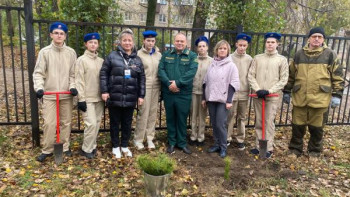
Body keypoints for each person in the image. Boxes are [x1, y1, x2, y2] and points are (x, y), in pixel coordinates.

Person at [283, 27, 344, 157]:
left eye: (320, 37)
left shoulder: (330, 54)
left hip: (320, 98)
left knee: (316, 128)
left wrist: (337, 95)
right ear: (309, 38)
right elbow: (292, 75)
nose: (317, 39)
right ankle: (295, 149)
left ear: (323, 39)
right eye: (314, 36)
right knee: (297, 126)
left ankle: (314, 151)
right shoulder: (299, 54)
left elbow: (338, 76)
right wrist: (287, 91)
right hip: (301, 97)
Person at [33, 22, 78, 162]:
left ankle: (64, 147)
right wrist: (39, 88)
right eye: (56, 33)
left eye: (62, 33)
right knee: (49, 123)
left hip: (66, 94)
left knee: (66, 122)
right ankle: (47, 149)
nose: (59, 35)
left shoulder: (71, 53)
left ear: (65, 36)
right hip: (50, 94)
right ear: (51, 35)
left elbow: (73, 74)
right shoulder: (45, 52)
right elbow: (38, 73)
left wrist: (72, 86)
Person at [100, 29, 145, 159]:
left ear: (133, 42)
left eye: (129, 40)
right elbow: (103, 74)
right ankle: (115, 146)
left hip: (130, 97)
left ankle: (124, 145)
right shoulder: (112, 56)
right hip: (115, 96)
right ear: (120, 42)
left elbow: (142, 78)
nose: (127, 43)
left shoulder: (137, 60)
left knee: (127, 122)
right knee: (114, 122)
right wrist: (104, 91)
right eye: (124, 40)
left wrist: (141, 95)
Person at [247, 32, 289, 158]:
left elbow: (283, 79)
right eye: (268, 42)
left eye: (272, 42)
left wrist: (270, 90)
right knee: (259, 121)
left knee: (269, 121)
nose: (270, 44)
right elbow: (250, 75)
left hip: (272, 96)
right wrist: (258, 89)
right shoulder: (258, 58)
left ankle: (268, 148)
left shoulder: (282, 60)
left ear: (277, 44)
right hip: (258, 95)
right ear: (265, 43)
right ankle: (258, 146)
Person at [158, 32, 198, 154]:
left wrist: (177, 84)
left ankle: (181, 143)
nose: (179, 43)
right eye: (177, 41)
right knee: (170, 118)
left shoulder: (192, 56)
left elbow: (191, 72)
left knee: (182, 119)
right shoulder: (166, 55)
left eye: (182, 41)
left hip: (183, 94)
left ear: (186, 43)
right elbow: (161, 70)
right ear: (174, 42)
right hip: (169, 93)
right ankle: (171, 143)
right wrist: (169, 84)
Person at [202, 40, 240, 158]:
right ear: (216, 50)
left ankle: (223, 147)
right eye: (220, 48)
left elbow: (234, 83)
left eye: (224, 48)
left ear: (228, 51)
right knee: (214, 123)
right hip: (211, 98)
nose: (222, 50)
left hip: (224, 100)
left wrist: (229, 100)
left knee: (220, 123)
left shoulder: (231, 66)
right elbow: (205, 82)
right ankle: (216, 144)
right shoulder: (212, 64)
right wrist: (204, 98)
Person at [75, 33, 104, 159]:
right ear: (86, 44)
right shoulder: (81, 60)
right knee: (90, 124)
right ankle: (85, 149)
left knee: (97, 123)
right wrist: (81, 98)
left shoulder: (101, 61)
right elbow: (79, 80)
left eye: (95, 42)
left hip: (99, 98)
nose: (93, 44)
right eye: (90, 42)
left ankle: (92, 146)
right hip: (87, 99)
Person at [134, 30, 162, 150]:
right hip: (144, 88)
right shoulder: (138, 55)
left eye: (152, 41)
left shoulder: (158, 55)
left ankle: (150, 138)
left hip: (156, 87)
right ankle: (138, 139)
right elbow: (136, 73)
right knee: (143, 114)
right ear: (144, 41)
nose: (150, 43)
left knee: (152, 114)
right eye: (148, 40)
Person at [227, 33, 253, 150]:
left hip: (244, 92)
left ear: (247, 46)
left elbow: (252, 75)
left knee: (242, 117)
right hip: (232, 92)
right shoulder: (229, 58)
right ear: (236, 44)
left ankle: (240, 139)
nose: (242, 47)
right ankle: (227, 137)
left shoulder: (250, 59)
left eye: (244, 45)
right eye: (240, 45)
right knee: (230, 115)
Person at [189, 36, 212, 146]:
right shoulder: (193, 60)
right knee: (193, 115)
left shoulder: (211, 61)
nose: (202, 48)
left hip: (204, 93)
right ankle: (193, 135)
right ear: (197, 48)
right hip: (193, 91)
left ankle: (201, 137)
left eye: (204, 46)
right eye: (200, 46)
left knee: (202, 116)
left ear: (207, 47)